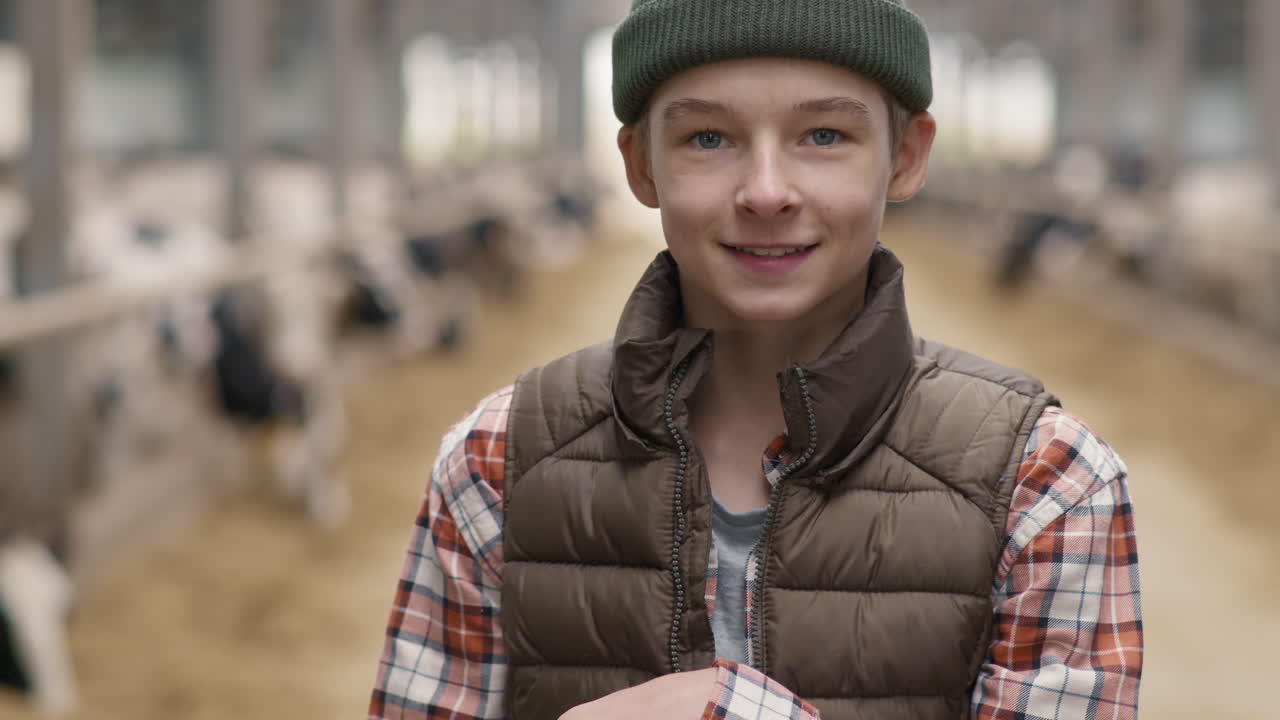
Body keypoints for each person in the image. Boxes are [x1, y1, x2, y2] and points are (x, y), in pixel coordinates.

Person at [367, 1, 1144, 718]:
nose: (766, 191)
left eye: (824, 136)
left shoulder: (1047, 485)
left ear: (905, 156)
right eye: (708, 138)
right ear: (641, 166)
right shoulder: (496, 463)